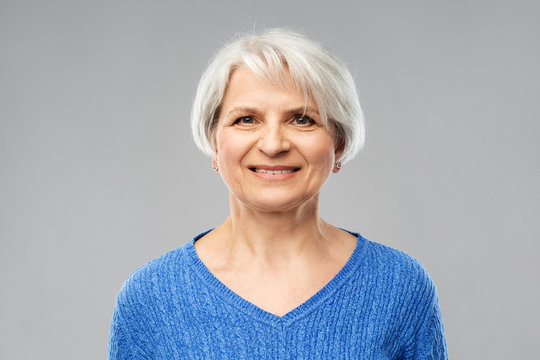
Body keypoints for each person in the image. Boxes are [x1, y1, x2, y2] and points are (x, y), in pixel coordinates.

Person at [108, 28, 447, 359]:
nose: (273, 145)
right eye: (246, 119)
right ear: (214, 141)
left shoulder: (400, 286)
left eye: (302, 120)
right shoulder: (150, 297)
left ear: (338, 143)